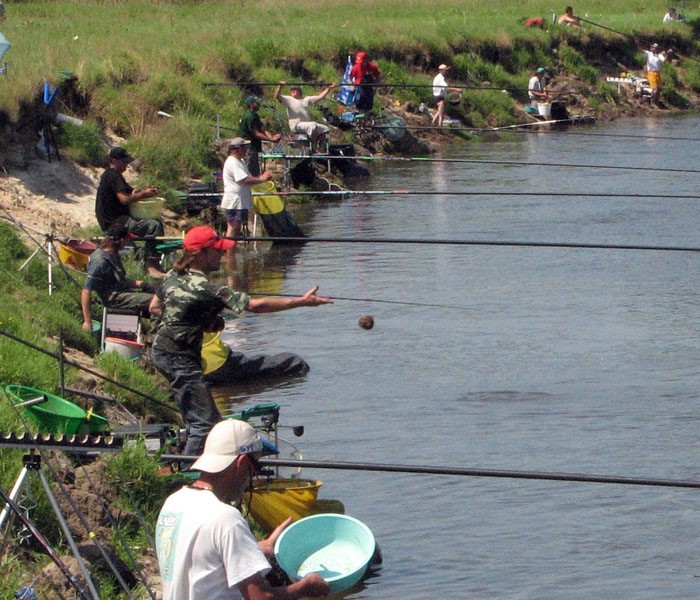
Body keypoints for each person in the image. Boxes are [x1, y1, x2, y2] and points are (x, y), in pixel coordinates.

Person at [148, 225, 332, 456]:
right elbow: (255, 306)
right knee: (204, 424)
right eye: (217, 250)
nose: (223, 254)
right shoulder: (207, 288)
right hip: (180, 359)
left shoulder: (172, 276)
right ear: (201, 254)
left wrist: (197, 322)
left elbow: (155, 307)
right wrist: (301, 302)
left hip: (161, 351)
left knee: (203, 417)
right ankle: (188, 476)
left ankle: (195, 463)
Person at [155, 418, 330, 600]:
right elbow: (261, 597)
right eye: (256, 467)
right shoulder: (226, 518)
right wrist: (303, 588)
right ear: (242, 463)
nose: (253, 477)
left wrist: (255, 550)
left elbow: (202, 562)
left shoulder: (174, 502)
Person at [95, 146, 164, 277]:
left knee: (153, 223)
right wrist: (144, 195)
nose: (126, 164)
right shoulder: (112, 175)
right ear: (114, 160)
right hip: (116, 222)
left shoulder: (115, 176)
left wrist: (144, 190)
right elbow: (125, 199)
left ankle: (149, 261)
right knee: (154, 225)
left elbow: (130, 191)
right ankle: (151, 265)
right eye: (123, 161)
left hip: (119, 220)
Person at [80, 222, 157, 331]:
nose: (127, 243)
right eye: (126, 240)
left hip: (121, 292)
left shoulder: (113, 253)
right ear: (121, 240)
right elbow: (86, 291)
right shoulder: (100, 261)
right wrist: (87, 321)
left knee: (159, 293)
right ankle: (156, 334)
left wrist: (142, 284)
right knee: (157, 301)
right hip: (114, 298)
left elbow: (119, 280)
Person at [202, 330, 309, 386]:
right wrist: (301, 301)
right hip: (217, 364)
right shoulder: (195, 293)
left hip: (190, 368)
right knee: (294, 362)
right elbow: (254, 306)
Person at [221, 137, 274, 239]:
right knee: (233, 228)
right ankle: (229, 252)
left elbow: (249, 178)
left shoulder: (240, 161)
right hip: (234, 201)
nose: (246, 150)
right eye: (244, 147)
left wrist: (262, 178)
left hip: (240, 201)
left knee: (236, 228)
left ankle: (231, 251)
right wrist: (262, 179)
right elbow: (244, 180)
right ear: (237, 149)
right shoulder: (233, 162)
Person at [274, 81, 335, 153]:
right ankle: (314, 147)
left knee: (325, 129)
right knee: (312, 125)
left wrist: (328, 88)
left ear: (299, 91)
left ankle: (321, 148)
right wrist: (280, 86)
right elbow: (277, 96)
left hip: (307, 124)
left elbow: (320, 97)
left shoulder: (306, 99)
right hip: (296, 125)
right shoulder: (289, 99)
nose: (292, 90)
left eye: (295, 89)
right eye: (291, 89)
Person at [238, 95, 281, 176]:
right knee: (250, 172)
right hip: (248, 149)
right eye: (256, 103)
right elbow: (256, 133)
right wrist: (271, 140)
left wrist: (272, 137)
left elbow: (262, 129)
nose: (259, 104)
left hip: (254, 149)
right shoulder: (249, 116)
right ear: (251, 104)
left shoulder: (255, 115)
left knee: (255, 171)